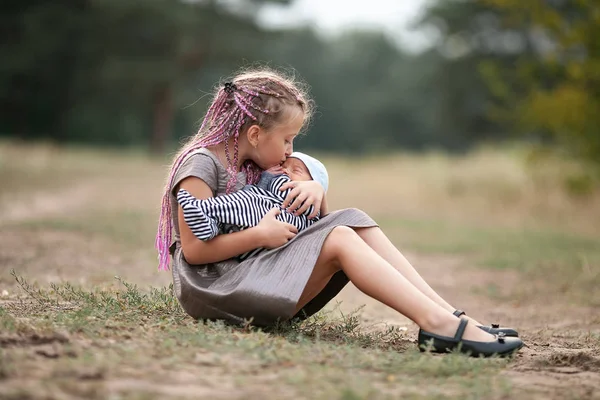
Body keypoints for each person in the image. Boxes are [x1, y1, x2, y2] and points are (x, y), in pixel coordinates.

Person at [155, 68, 523, 357]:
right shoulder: (201, 166)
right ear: (254, 133)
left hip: (251, 274)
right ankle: (437, 324)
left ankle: (450, 317)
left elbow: (311, 226)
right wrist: (259, 236)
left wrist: (315, 191)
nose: (290, 150)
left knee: (352, 218)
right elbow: (195, 252)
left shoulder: (254, 165)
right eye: (287, 139)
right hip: (216, 289)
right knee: (341, 238)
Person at [176, 152, 329, 261]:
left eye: (296, 170)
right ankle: (207, 217)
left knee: (247, 201)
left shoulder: (304, 197)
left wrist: (317, 190)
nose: (285, 170)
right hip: (252, 233)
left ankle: (203, 209)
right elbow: (263, 192)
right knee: (243, 201)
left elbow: (321, 222)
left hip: (274, 230)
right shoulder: (202, 162)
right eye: (284, 165)